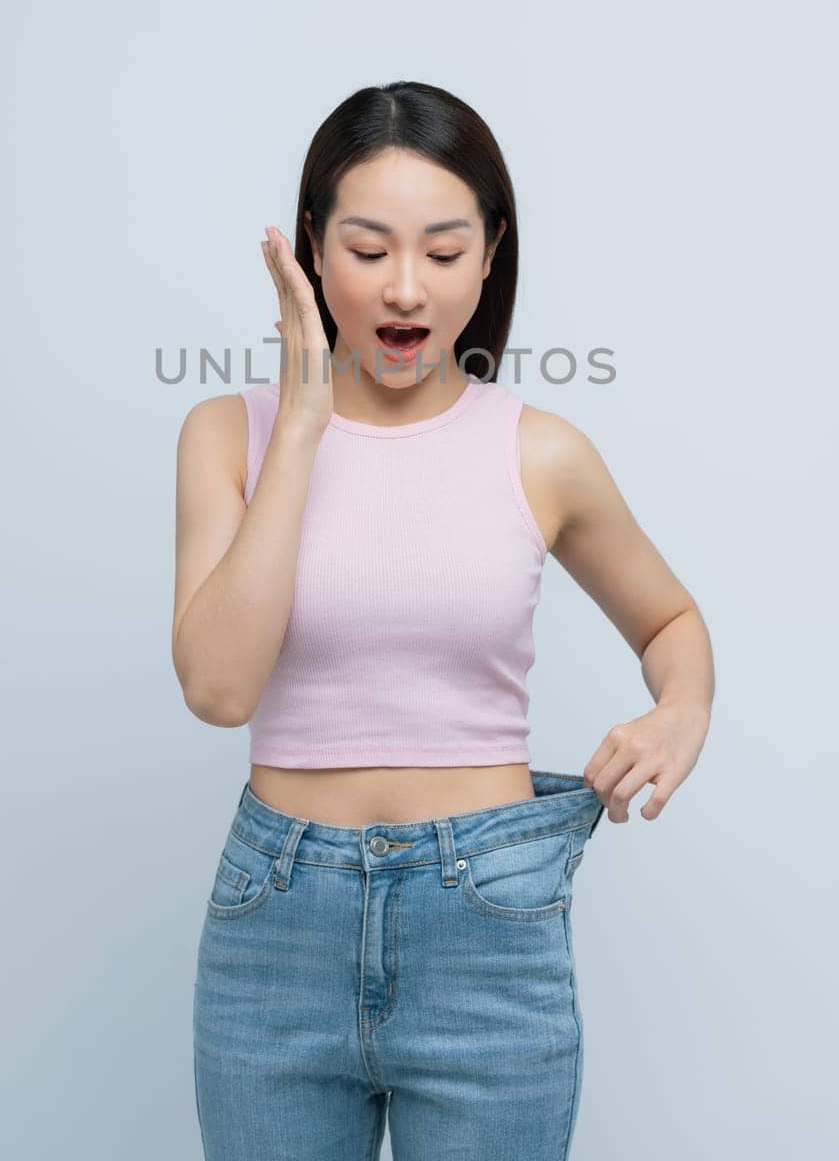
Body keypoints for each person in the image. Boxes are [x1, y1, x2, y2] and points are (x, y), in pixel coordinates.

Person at [172, 81, 714, 1160]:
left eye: (443, 249)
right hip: (275, 925)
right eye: (367, 250)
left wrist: (679, 709)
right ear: (314, 248)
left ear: (490, 251)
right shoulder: (227, 435)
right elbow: (219, 688)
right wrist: (304, 420)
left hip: (486, 923)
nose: (404, 287)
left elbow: (669, 621)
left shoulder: (539, 450)